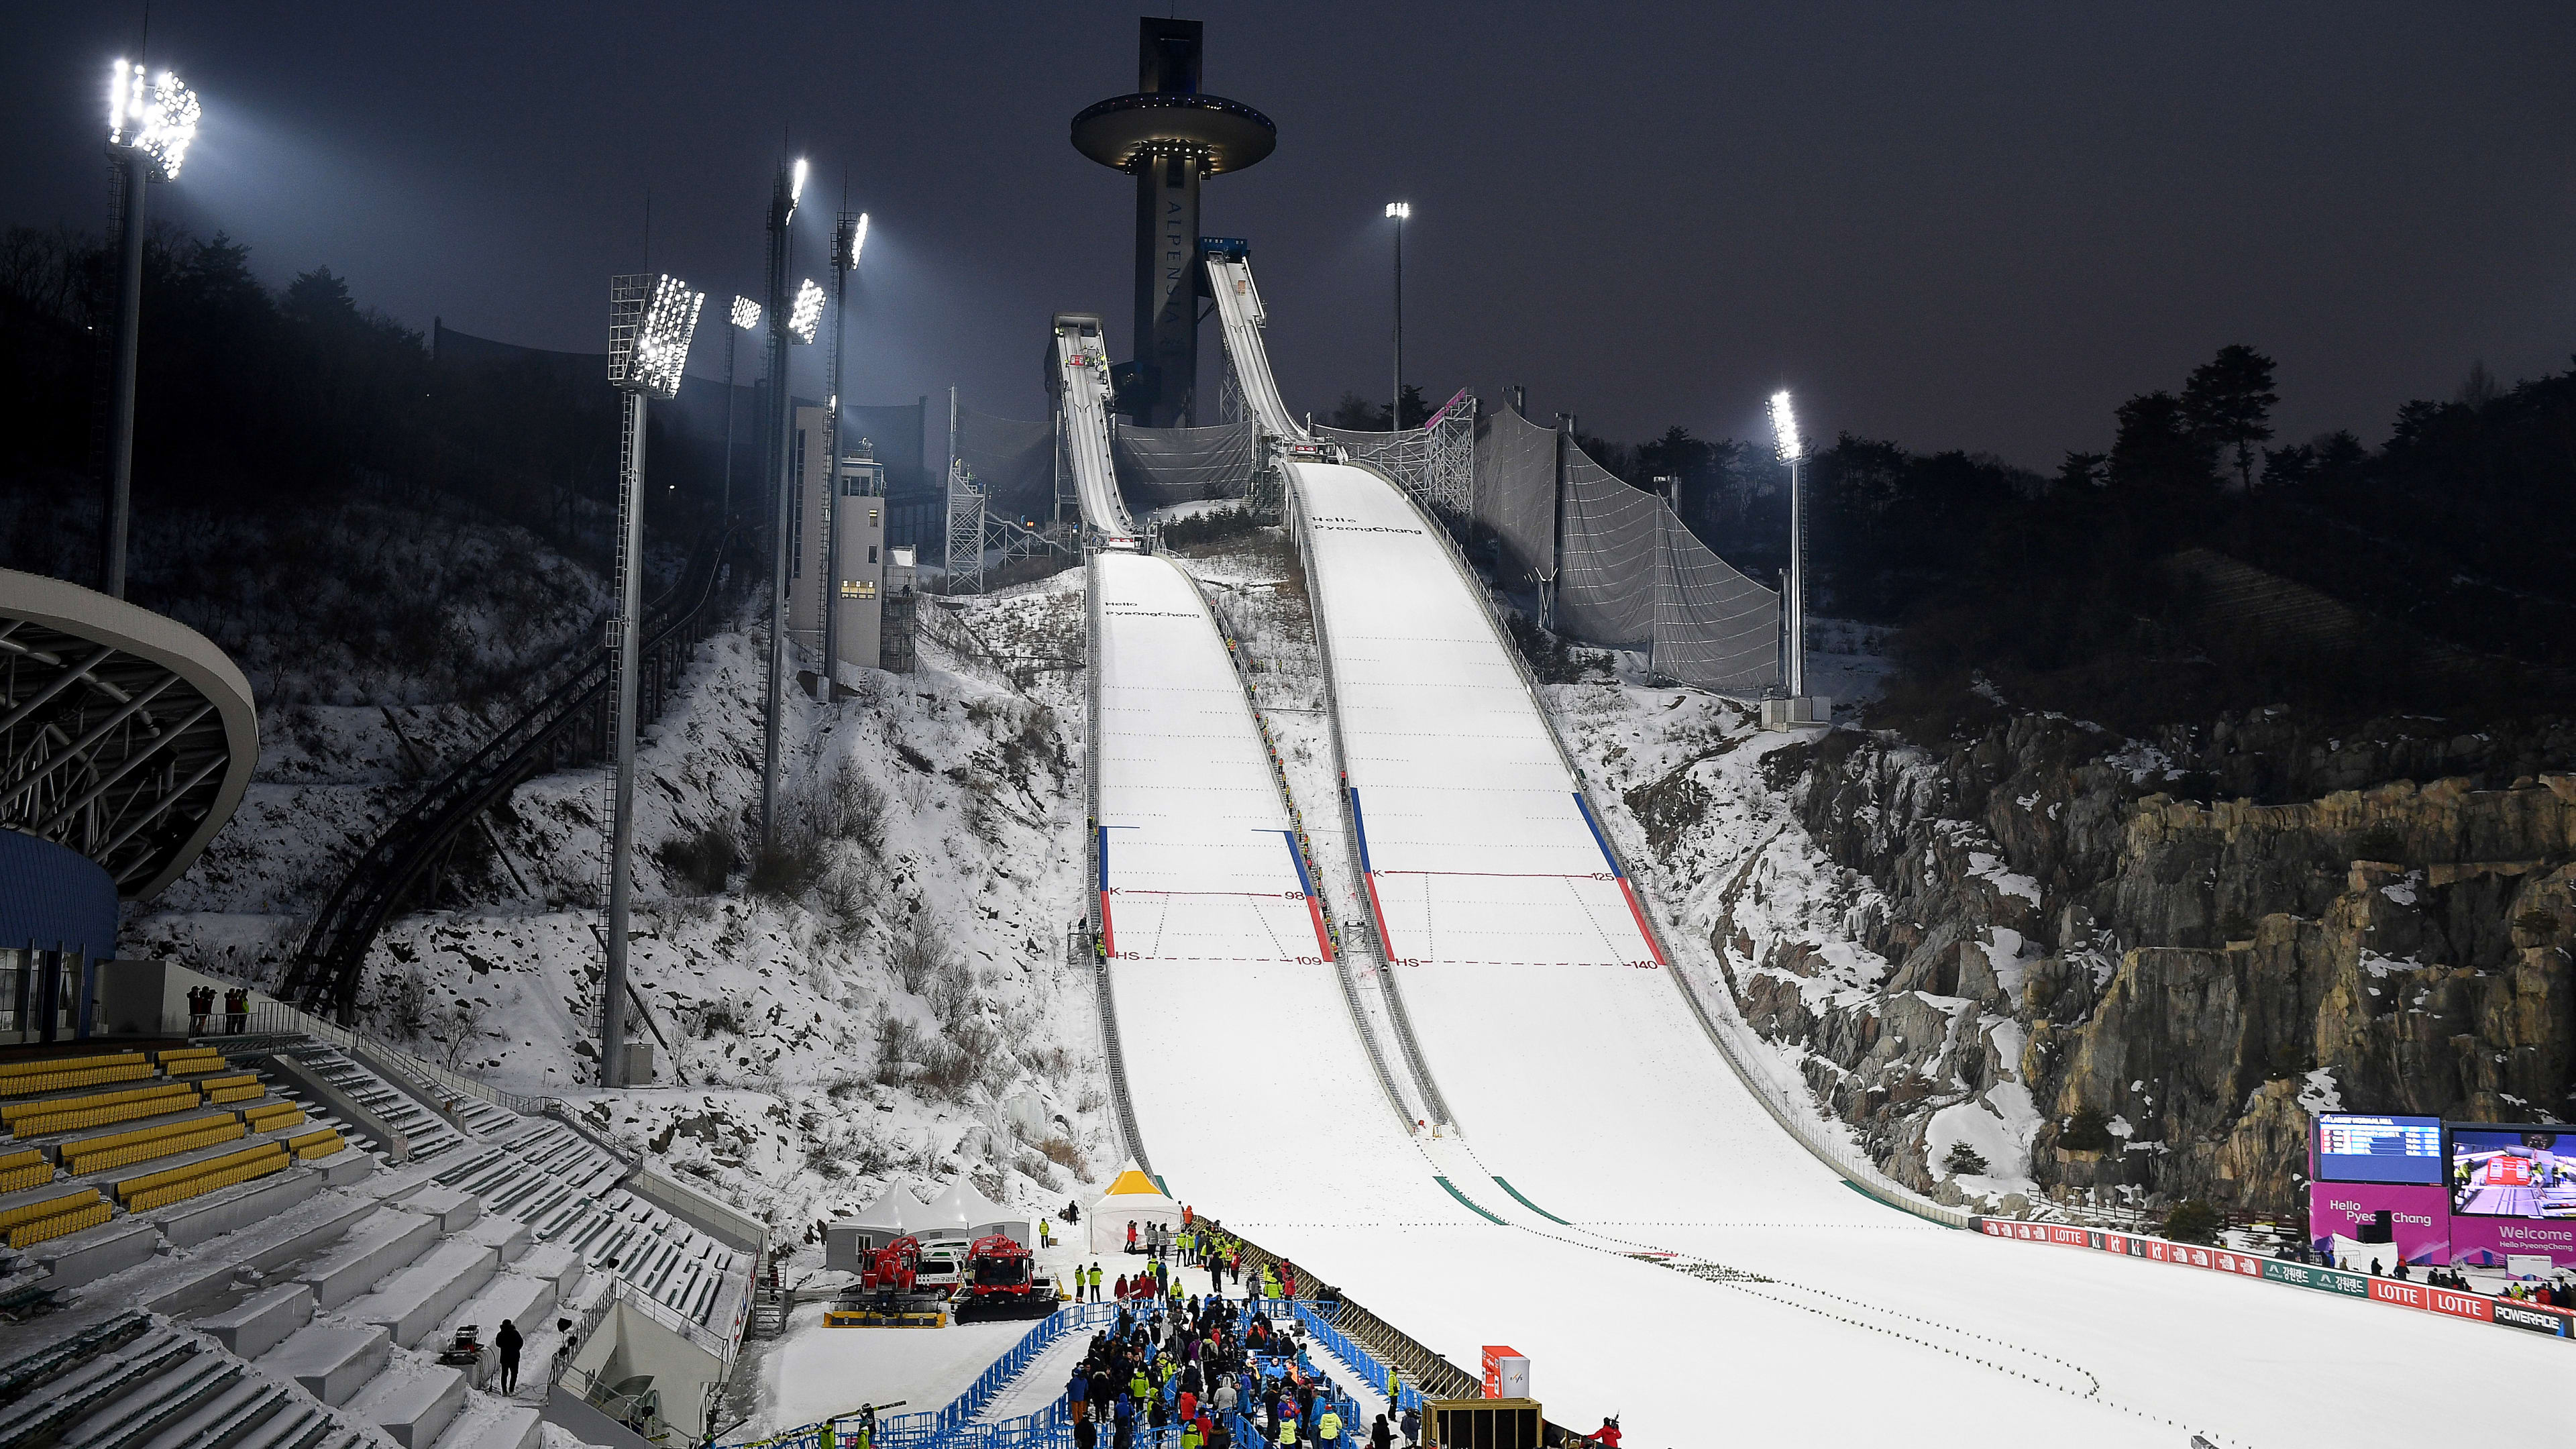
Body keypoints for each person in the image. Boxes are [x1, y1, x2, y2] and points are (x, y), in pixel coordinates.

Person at [494, 1319, 523, 1394]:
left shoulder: (500, 1334)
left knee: (504, 1374)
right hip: (514, 1357)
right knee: (514, 1374)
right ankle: (511, 1390)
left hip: (504, 1357)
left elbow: (498, 1344)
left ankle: (504, 1391)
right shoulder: (515, 1333)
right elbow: (521, 1343)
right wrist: (516, 1349)